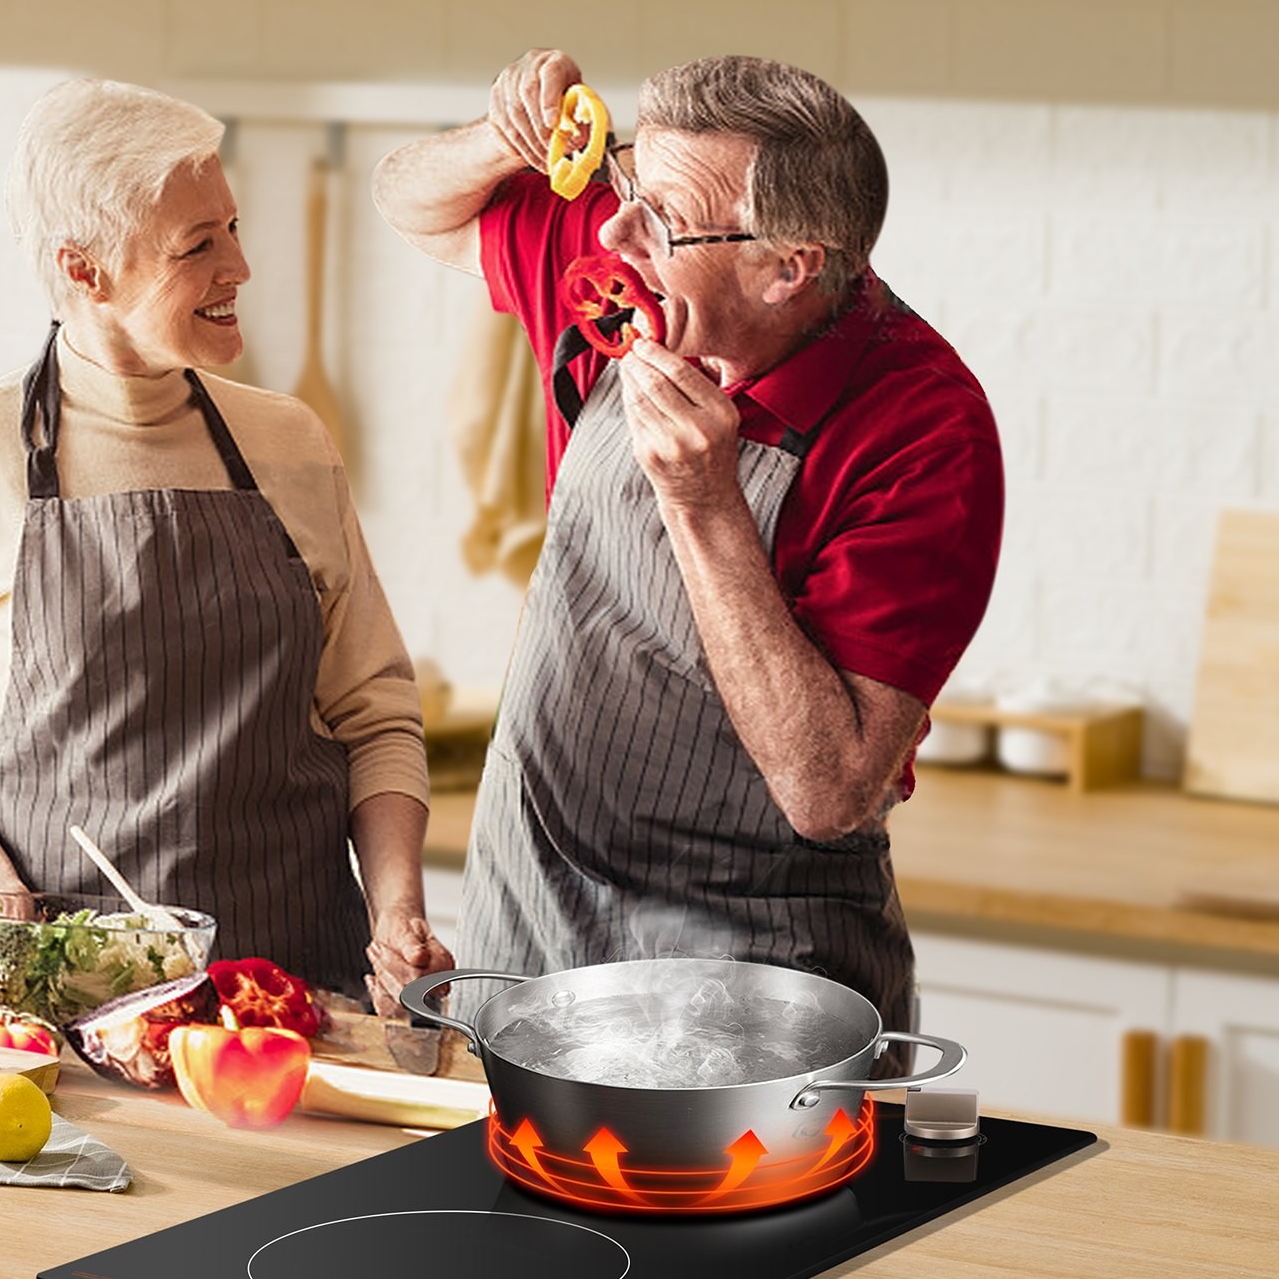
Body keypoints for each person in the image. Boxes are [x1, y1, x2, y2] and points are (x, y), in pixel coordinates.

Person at [371, 51, 1002, 1047]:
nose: (615, 229)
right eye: (625, 182)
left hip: (751, 995)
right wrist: (504, 141)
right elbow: (410, 203)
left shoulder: (923, 430)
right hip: (526, 935)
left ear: (787, 264)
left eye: (657, 218)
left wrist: (703, 501)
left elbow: (829, 788)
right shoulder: (630, 279)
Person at [0, 77, 452, 1006]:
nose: (241, 268)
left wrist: (398, 914)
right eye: (198, 245)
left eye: (232, 227)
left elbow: (374, 711)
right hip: (65, 997)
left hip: (298, 991)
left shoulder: (290, 440)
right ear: (85, 270)